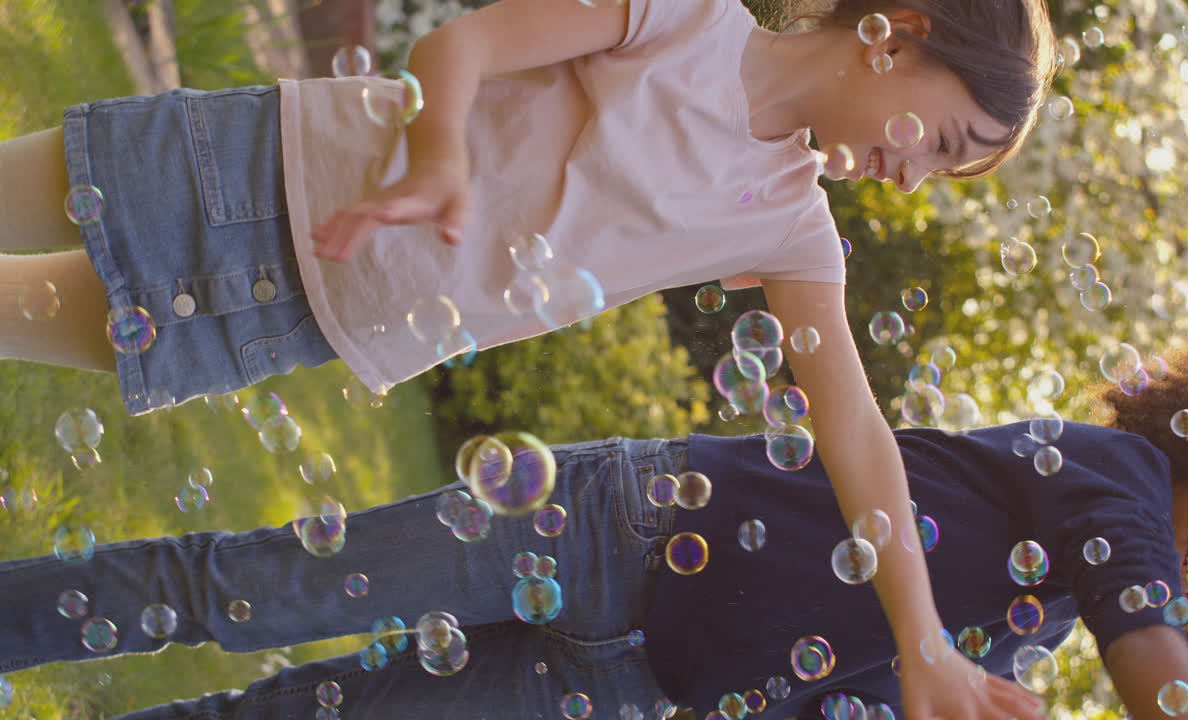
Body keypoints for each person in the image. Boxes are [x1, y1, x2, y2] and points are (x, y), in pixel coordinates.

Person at [0, 0, 1056, 717]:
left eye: (944, 173)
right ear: (898, 36)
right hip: (255, 168)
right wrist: (439, 160)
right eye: (942, 141)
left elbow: (857, 434)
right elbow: (456, 47)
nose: (914, 177)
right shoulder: (681, 18)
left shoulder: (786, 227)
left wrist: (921, 642)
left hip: (305, 320)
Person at [4, 329, 1188, 720]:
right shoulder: (1105, 477)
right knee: (249, 590)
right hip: (603, 531)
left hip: (624, 689)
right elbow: (1146, 636)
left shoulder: (1023, 648)